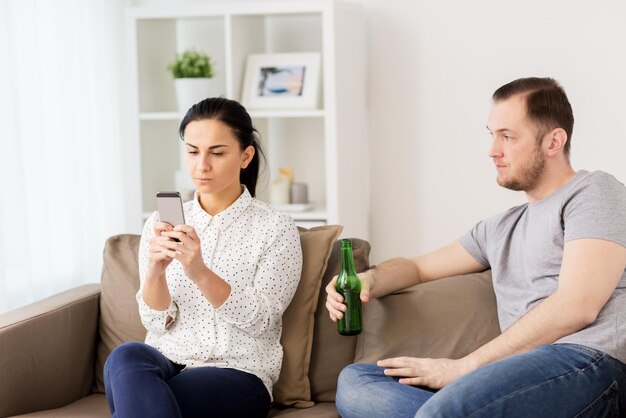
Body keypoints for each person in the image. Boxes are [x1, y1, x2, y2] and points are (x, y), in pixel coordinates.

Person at [326, 77, 626, 417]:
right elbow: (419, 267)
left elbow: (577, 305)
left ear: (554, 141)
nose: (492, 150)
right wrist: (370, 280)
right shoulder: (498, 228)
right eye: (492, 134)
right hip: (511, 377)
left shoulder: (594, 192)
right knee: (357, 382)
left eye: (508, 137)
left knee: (442, 411)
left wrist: (464, 367)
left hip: (587, 363)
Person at [104, 97, 303, 418]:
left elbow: (263, 322)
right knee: (125, 356)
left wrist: (198, 271)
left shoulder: (275, 227)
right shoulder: (160, 222)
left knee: (148, 399)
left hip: (237, 370)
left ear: (245, 156)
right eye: (193, 151)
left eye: (217, 152)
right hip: (167, 359)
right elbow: (155, 322)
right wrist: (155, 271)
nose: (202, 165)